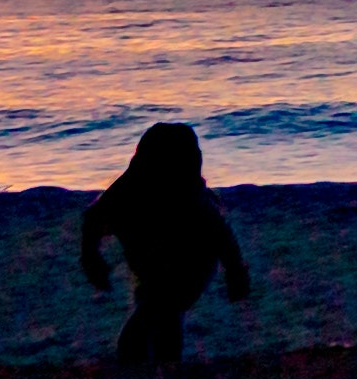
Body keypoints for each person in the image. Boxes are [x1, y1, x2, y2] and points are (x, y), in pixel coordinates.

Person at [81, 122, 249, 366]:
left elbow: (222, 236)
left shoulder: (194, 200)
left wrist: (235, 272)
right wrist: (91, 257)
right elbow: (95, 218)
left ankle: (159, 368)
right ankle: (163, 369)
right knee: (159, 316)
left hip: (190, 265)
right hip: (152, 263)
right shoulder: (131, 188)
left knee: (156, 316)